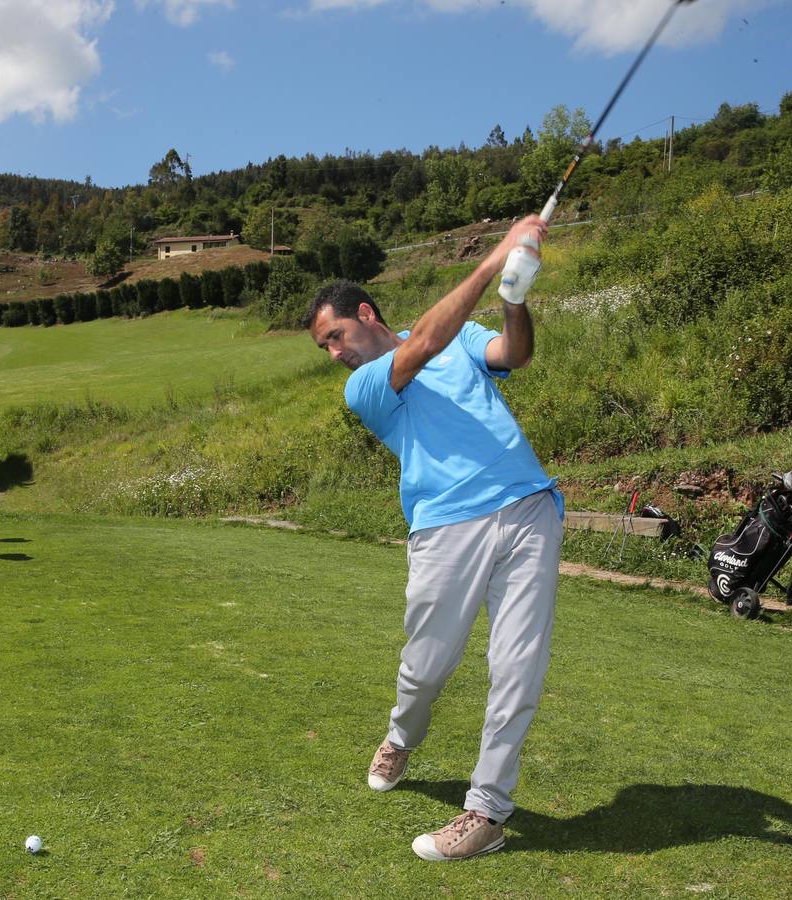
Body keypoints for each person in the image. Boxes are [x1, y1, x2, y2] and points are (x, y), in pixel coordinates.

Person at [303, 214, 561, 862]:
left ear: (364, 313)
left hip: (528, 507)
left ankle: (485, 813)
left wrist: (513, 297)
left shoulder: (462, 335)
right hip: (446, 527)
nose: (334, 353)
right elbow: (420, 349)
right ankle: (400, 736)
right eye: (325, 348)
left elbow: (514, 354)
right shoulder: (364, 385)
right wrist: (495, 255)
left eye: (335, 336)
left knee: (517, 669)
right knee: (427, 668)